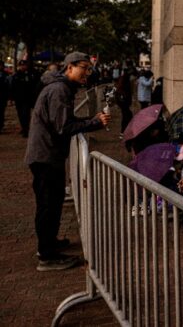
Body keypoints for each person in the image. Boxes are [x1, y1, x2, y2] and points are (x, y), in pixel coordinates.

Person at [25, 52, 111, 271]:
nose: (87, 73)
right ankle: (47, 255)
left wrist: (92, 121)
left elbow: (65, 121)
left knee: (52, 204)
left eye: (89, 69)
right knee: (47, 205)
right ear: (69, 67)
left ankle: (49, 243)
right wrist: (93, 123)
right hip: (46, 156)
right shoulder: (59, 90)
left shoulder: (61, 88)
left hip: (48, 155)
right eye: (83, 67)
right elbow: (63, 127)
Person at [11, 59, 38, 137]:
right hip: (18, 99)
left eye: (24, 65)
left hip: (27, 99)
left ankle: (26, 130)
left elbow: (33, 86)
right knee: (20, 114)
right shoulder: (16, 75)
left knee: (25, 114)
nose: (23, 67)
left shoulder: (30, 75)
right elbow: (13, 87)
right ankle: (23, 127)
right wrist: (12, 98)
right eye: (21, 65)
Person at [115, 67, 133, 134]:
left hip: (124, 103)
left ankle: (124, 131)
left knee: (127, 116)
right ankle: (123, 131)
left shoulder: (123, 80)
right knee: (126, 117)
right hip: (124, 103)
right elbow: (126, 92)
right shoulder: (125, 81)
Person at [0, 67, 10, 132]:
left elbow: (7, 85)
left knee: (1, 112)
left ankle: (1, 126)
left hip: (2, 97)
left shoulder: (5, 75)